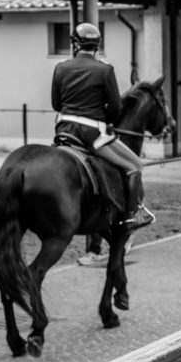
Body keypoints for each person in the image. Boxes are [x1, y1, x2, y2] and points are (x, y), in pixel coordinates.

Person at [51, 22, 153, 267]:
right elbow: (116, 108)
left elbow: (56, 103)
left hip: (63, 131)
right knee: (134, 165)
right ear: (96, 46)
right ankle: (130, 216)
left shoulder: (60, 67)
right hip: (92, 134)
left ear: (75, 44)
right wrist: (102, 118)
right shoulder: (105, 70)